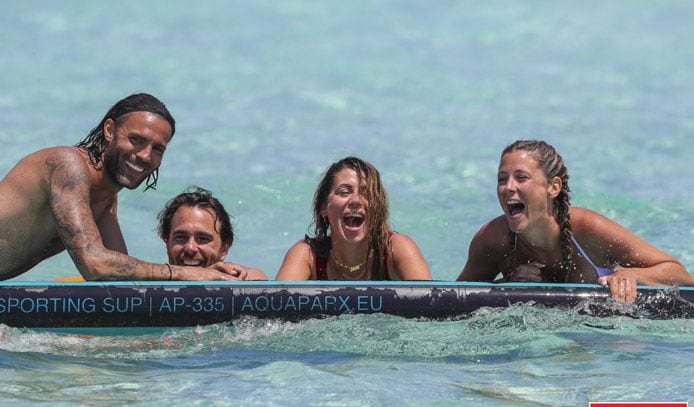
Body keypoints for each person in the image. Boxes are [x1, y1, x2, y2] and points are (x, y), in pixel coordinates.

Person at [0, 93, 239, 281]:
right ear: (109, 130)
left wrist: (212, 276)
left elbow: (122, 278)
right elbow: (95, 264)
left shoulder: (106, 199)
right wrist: (184, 273)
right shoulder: (67, 167)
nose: (145, 156)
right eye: (136, 140)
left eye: (158, 149)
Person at [456, 140, 694, 303]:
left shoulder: (588, 229)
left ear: (553, 187)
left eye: (521, 177)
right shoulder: (493, 240)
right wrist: (507, 286)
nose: (508, 188)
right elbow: (454, 301)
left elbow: (682, 276)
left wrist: (633, 276)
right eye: (501, 179)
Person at [276, 156, 431, 280]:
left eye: (366, 194)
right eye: (344, 192)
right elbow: (274, 311)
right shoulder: (308, 256)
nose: (356, 200)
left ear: (378, 208)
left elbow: (433, 308)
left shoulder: (396, 249)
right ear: (324, 207)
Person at [157, 187, 267, 279]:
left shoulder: (240, 278)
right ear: (167, 241)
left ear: (224, 249)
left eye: (203, 238)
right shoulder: (147, 284)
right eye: (180, 237)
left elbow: (256, 276)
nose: (190, 248)